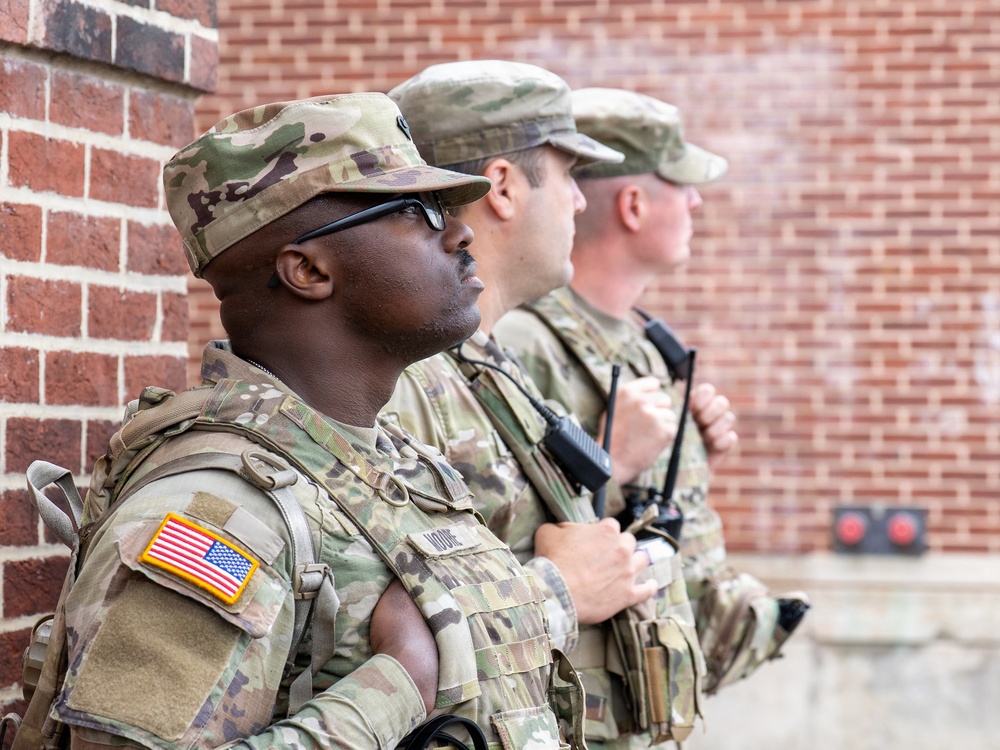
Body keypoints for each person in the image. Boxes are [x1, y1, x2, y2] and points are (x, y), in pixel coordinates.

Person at [42, 93, 587, 750]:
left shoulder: (392, 463)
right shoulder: (212, 514)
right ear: (306, 269)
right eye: (418, 213)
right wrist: (397, 686)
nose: (460, 232)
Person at [383, 62, 706, 748]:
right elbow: (381, 620)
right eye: (566, 175)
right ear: (502, 186)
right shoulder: (407, 376)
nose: (582, 201)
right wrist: (560, 585)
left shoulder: (490, 363)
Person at [496, 87, 809, 697]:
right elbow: (495, 542)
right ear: (634, 205)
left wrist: (688, 462)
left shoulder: (639, 341)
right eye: (681, 185)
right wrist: (620, 460)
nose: (696, 201)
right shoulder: (520, 343)